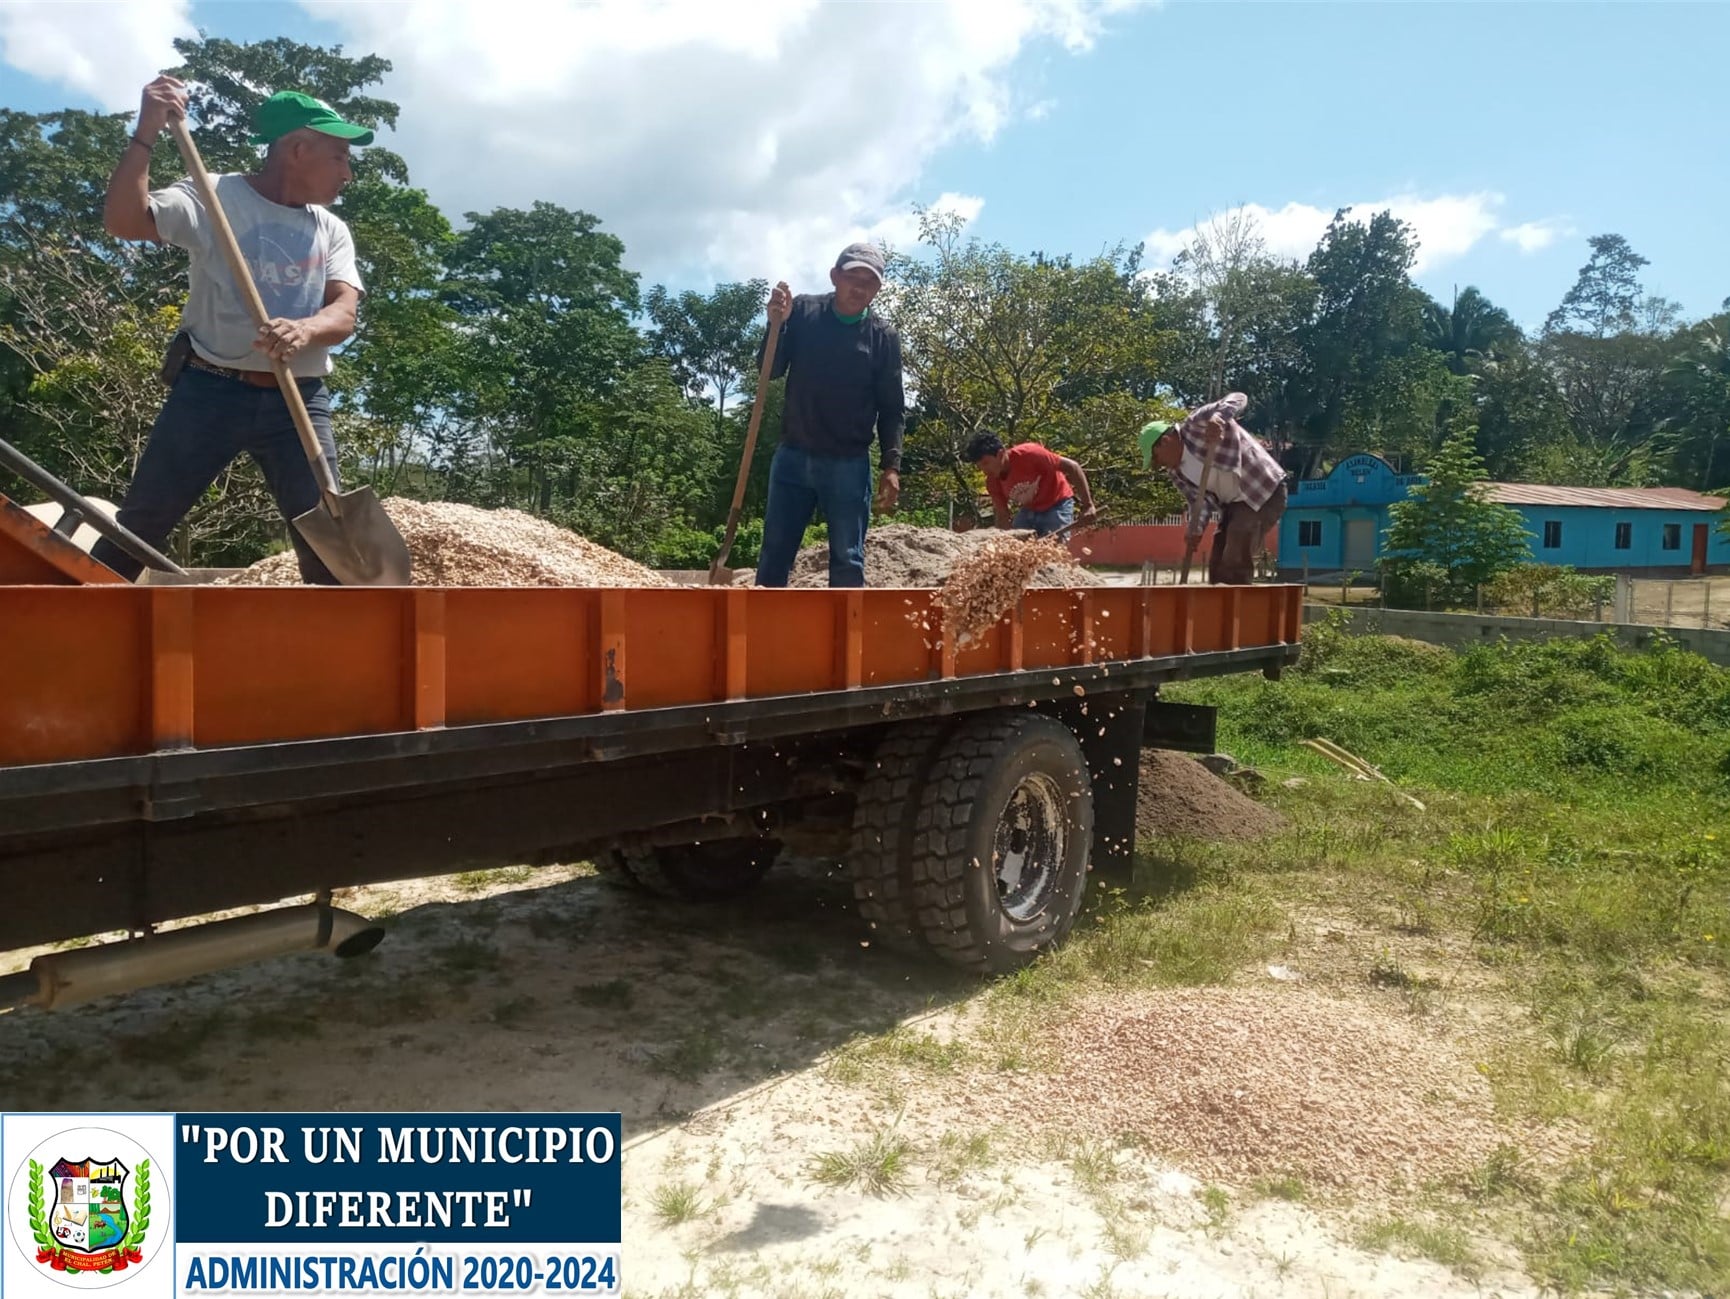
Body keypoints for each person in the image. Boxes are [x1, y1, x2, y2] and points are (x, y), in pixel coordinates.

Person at [92, 76, 372, 584]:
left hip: (298, 402)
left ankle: (341, 652)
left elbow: (344, 311)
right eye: (339, 157)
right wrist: (146, 132)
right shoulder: (211, 195)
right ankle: (67, 627)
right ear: (298, 148)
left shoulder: (330, 229)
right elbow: (124, 221)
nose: (347, 174)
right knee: (140, 526)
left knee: (330, 542)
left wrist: (306, 329)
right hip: (210, 389)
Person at [753, 243, 905, 588]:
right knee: (775, 553)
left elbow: (892, 408)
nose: (860, 287)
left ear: (878, 289)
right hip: (794, 456)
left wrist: (891, 466)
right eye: (853, 277)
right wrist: (775, 325)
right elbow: (770, 370)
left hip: (848, 462)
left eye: (870, 282)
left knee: (848, 558)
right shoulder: (804, 312)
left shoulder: (882, 338)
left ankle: (845, 640)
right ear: (835, 277)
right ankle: (764, 636)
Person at [1139, 392, 1287, 585]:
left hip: (1265, 489)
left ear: (1165, 442)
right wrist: (1195, 530)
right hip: (1234, 505)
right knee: (1218, 560)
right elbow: (1198, 503)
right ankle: (1218, 607)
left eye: (1156, 459)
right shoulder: (1177, 474)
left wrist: (1218, 418)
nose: (1158, 466)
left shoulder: (1196, 424)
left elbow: (1239, 397)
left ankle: (1236, 607)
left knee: (1237, 542)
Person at [963, 433, 1098, 537]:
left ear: (1000, 454)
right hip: (1029, 511)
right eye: (980, 466)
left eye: (986, 463)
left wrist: (1088, 505)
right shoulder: (992, 482)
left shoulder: (1030, 454)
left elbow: (1073, 467)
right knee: (1017, 542)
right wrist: (1003, 540)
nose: (984, 470)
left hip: (1057, 504)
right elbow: (1002, 515)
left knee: (1054, 549)